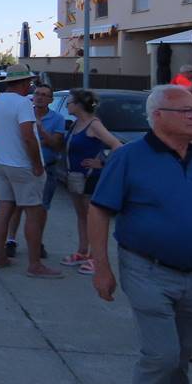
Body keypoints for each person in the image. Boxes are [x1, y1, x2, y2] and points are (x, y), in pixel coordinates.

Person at [88, 85, 192, 384]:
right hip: (147, 269)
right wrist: (101, 267)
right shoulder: (129, 157)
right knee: (161, 354)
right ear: (158, 118)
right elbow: (99, 210)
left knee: (181, 356)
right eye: (187, 110)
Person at [0, 65, 61, 278]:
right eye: (30, 83)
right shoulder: (23, 104)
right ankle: (35, 265)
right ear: (24, 83)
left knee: (5, 209)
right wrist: (36, 164)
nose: (31, 86)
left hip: (4, 163)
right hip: (23, 166)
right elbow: (28, 136)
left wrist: (2, 143)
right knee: (34, 214)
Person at [59, 89, 122, 275]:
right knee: (81, 216)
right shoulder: (77, 123)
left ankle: (96, 258)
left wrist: (102, 163)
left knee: (94, 218)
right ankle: (82, 251)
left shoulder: (94, 125)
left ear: (79, 105)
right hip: (74, 177)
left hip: (90, 178)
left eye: (70, 101)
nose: (68, 104)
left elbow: (117, 146)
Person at [7, 83, 65, 258]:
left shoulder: (57, 119)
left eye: (44, 95)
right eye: (37, 93)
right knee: (16, 206)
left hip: (47, 167)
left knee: (41, 208)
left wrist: (41, 130)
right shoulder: (24, 114)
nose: (39, 97)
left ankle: (36, 242)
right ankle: (10, 240)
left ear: (50, 100)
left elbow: (56, 144)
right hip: (23, 167)